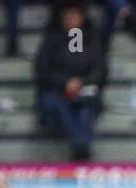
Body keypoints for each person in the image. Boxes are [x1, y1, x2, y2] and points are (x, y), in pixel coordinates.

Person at [34, 0, 107, 160]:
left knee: (85, 106)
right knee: (61, 104)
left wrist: (81, 82)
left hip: (84, 89)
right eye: (69, 16)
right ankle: (80, 146)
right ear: (62, 17)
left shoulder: (90, 39)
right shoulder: (51, 39)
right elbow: (43, 70)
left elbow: (99, 69)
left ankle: (81, 147)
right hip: (56, 89)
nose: (72, 19)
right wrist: (65, 82)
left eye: (76, 15)